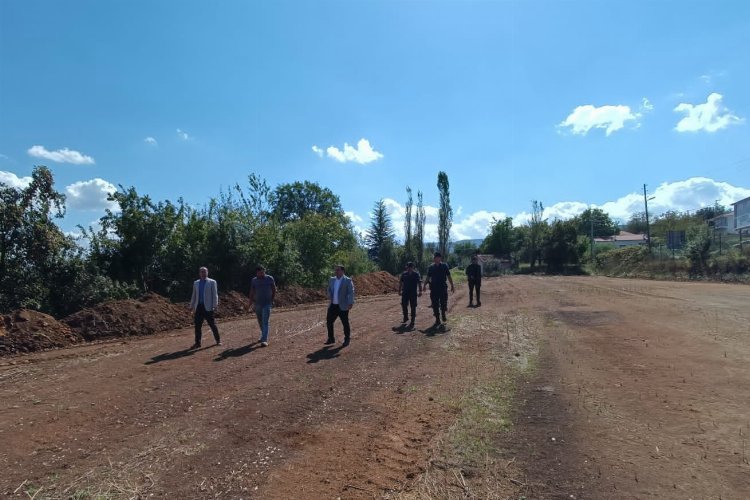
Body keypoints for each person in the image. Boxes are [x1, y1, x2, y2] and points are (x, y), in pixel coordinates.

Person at [189, 266, 220, 349]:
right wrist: (191, 305)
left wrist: (215, 305)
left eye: (204, 272)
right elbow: (194, 295)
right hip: (199, 307)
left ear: (207, 272)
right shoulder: (196, 283)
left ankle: (218, 340)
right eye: (201, 272)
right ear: (199, 273)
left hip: (208, 307)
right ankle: (197, 343)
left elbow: (215, 294)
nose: (203, 273)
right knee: (197, 326)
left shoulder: (212, 282)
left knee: (212, 325)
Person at [326, 265, 355, 346]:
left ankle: (347, 339)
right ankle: (331, 338)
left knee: (345, 323)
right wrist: (329, 295)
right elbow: (328, 289)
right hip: (333, 305)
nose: (336, 271)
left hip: (343, 305)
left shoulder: (348, 280)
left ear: (342, 271)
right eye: (336, 270)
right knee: (329, 321)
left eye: (338, 270)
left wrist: (350, 302)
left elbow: (351, 292)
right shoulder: (332, 279)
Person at [425, 252, 455, 327]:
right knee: (435, 304)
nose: (437, 259)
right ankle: (437, 319)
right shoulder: (431, 267)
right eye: (435, 258)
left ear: (440, 258)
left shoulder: (444, 266)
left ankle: (443, 314)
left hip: (442, 287)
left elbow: (448, 276)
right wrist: (424, 285)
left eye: (438, 258)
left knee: (443, 302)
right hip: (434, 288)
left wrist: (452, 285)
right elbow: (428, 277)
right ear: (434, 258)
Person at [249, 265, 276, 347]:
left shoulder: (270, 278)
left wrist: (272, 300)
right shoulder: (254, 280)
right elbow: (252, 291)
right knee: (260, 321)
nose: (262, 274)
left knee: (265, 321)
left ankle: (264, 340)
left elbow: (274, 289)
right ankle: (263, 335)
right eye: (260, 273)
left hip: (267, 303)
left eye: (263, 272)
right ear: (257, 273)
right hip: (257, 304)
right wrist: (250, 303)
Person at [398, 261, 422, 328]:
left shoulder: (416, 274)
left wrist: (420, 291)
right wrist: (399, 291)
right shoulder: (404, 274)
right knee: (403, 304)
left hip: (413, 293)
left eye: (410, 267)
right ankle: (405, 317)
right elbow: (400, 283)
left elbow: (419, 283)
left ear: (413, 267)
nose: (409, 268)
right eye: (408, 267)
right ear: (406, 267)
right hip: (405, 292)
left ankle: (412, 320)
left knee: (413, 306)